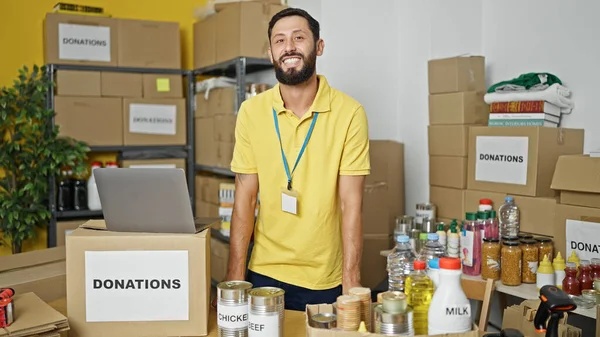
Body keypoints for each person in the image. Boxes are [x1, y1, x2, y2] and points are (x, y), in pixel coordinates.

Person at [223, 7, 371, 311]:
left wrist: (351, 284)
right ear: (270, 52)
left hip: (324, 280)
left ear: (318, 46)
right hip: (264, 270)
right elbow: (245, 199)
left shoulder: (350, 113)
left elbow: (351, 204)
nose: (288, 47)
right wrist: (234, 283)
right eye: (279, 41)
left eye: (298, 37)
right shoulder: (251, 112)